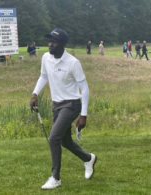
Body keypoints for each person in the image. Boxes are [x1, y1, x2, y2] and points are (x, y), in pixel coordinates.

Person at [30, 28, 97, 190]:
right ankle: (88, 158)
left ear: (62, 44)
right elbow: (43, 76)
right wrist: (34, 94)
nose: (50, 44)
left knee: (53, 138)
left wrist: (84, 115)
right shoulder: (46, 57)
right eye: (49, 41)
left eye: (54, 42)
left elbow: (85, 88)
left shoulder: (73, 63)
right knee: (65, 141)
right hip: (56, 105)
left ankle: (55, 177)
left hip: (72, 104)